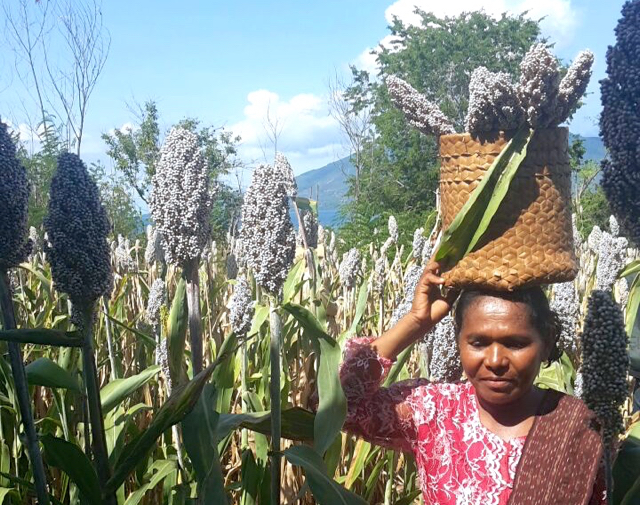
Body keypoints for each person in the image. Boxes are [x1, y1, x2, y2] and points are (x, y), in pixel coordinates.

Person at [340, 262, 606, 505]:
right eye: (478, 343)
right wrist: (416, 322)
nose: (495, 360)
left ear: (546, 344)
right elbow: (339, 406)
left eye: (515, 344)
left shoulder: (578, 425)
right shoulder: (435, 411)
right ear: (458, 342)